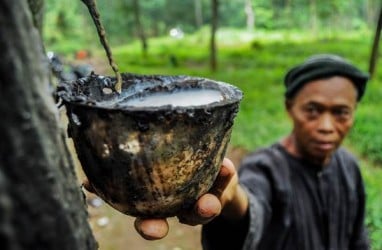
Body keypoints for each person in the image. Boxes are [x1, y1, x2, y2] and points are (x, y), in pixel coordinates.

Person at [85, 54, 370, 249]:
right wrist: (230, 195)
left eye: (341, 113)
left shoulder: (348, 167)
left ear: (355, 114)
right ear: (289, 108)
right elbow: (250, 206)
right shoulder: (265, 167)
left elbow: (358, 239)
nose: (326, 126)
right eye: (313, 110)